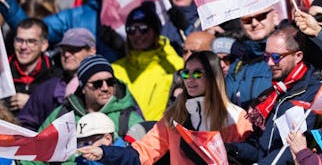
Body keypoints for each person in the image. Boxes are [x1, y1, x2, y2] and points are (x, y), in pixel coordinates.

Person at [78, 51, 252, 164]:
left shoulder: (236, 117)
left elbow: (249, 156)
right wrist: (104, 152)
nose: (190, 79)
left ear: (214, 76)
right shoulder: (173, 116)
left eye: (197, 73)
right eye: (186, 73)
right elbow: (142, 153)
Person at [228, 26, 322, 164]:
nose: (270, 63)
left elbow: (292, 150)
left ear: (298, 56)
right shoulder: (273, 92)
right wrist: (231, 149)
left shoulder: (312, 92)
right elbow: (260, 149)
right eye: (266, 57)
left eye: (276, 57)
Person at [25, 55, 143, 165]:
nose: (105, 88)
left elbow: (143, 156)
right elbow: (37, 154)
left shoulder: (128, 119)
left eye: (110, 82)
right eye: (97, 84)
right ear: (83, 88)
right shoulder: (63, 114)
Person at [112, 1, 184, 121]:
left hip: (163, 134)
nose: (137, 34)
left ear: (155, 31)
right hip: (129, 135)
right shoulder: (115, 69)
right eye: (131, 30)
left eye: (143, 29)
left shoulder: (174, 65)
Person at [18, 28, 96, 131]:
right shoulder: (47, 89)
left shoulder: (106, 84)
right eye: (63, 49)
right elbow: (26, 125)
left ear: (91, 51)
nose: (67, 54)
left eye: (73, 49)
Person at [225, 6, 282, 108]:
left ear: (275, 16)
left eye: (261, 16)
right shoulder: (238, 61)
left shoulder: (289, 51)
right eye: (247, 20)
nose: (254, 23)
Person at [6, 18, 53, 113]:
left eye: (31, 41)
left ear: (44, 45)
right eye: (19, 40)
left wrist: (32, 103)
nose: (23, 47)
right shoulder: (3, 72)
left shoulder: (55, 77)